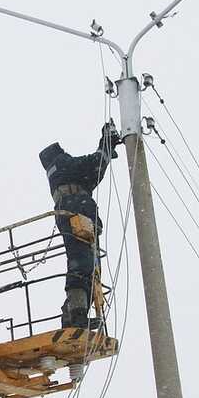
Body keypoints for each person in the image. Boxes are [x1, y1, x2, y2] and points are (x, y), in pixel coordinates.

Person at [39, 122, 122, 329]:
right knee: (82, 262)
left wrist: (105, 148)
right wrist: (106, 144)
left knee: (84, 263)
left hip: (73, 209)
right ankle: (75, 315)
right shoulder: (61, 163)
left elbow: (93, 171)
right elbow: (93, 166)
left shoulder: (60, 173)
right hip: (75, 209)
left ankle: (74, 313)